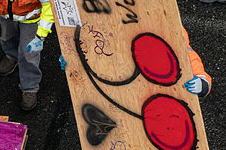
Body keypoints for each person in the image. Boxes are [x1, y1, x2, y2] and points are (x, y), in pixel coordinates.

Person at [59, 25, 212, 98]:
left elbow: (201, 73)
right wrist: (74, 61)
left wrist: (202, 84)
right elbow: (101, 58)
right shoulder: (125, 43)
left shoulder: (181, 52)